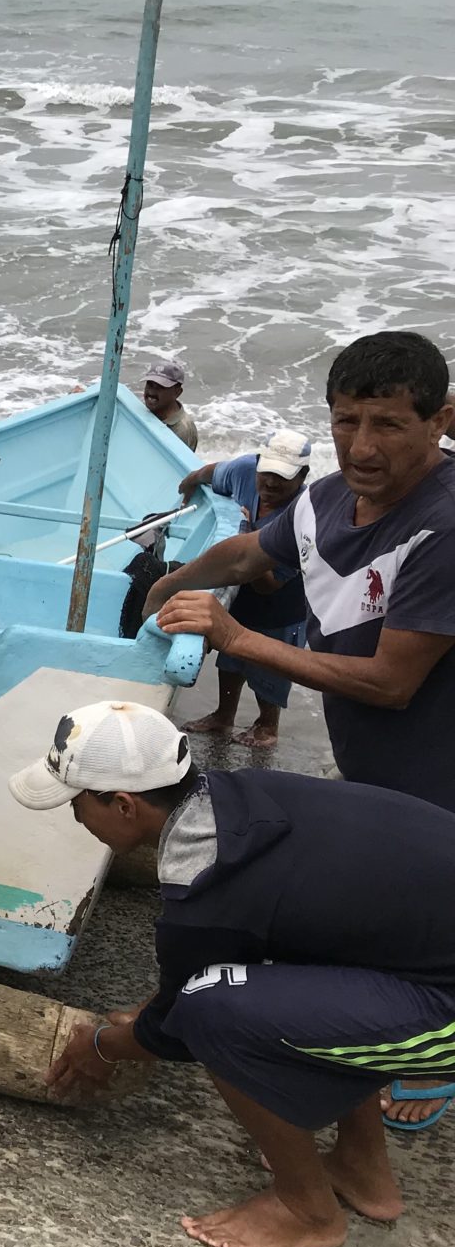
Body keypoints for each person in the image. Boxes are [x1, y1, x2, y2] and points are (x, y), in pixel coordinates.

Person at [146, 332, 455, 1129]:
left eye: (387, 424)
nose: (362, 445)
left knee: (422, 949)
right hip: (377, 775)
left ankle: (429, 1059)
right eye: (346, 420)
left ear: (439, 420)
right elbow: (252, 554)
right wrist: (174, 582)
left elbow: (392, 682)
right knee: (371, 928)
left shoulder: (445, 528)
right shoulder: (320, 500)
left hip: (439, 783)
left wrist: (238, 640)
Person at [19, 700, 455, 1247]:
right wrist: (159, 1005)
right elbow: (248, 940)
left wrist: (102, 1045)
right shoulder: (240, 799)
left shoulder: (204, 876)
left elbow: (179, 1032)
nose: (76, 820)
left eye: (75, 805)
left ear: (123, 805)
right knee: (275, 972)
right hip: (424, 959)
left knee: (210, 1010)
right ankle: (361, 1168)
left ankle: (307, 1212)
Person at [174, 428, 314, 747]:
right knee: (231, 656)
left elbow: (269, 585)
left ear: (303, 475)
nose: (270, 483)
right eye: (267, 472)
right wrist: (188, 485)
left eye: (282, 477)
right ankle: (224, 716)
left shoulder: (304, 517)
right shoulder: (244, 470)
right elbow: (209, 472)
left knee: (270, 668)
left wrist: (245, 539)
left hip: (281, 604)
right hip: (241, 592)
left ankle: (267, 727)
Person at [143, 359, 199, 450]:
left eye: (160, 387)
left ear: (177, 392)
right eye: (150, 384)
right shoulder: (146, 411)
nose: (152, 391)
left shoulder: (182, 431)